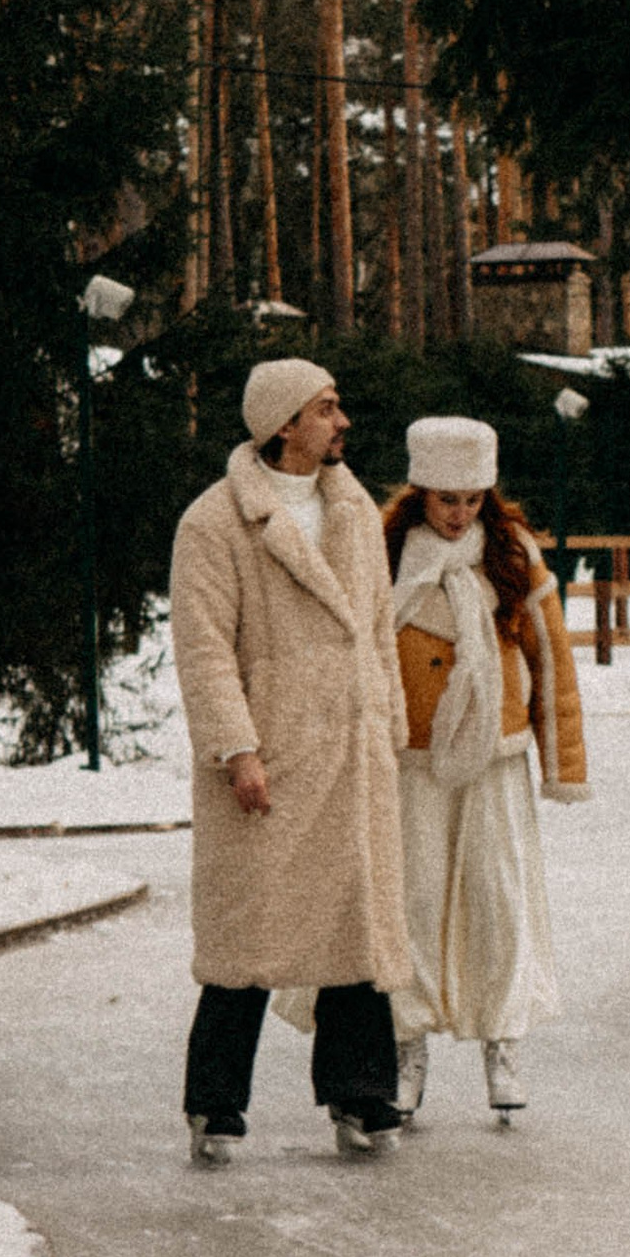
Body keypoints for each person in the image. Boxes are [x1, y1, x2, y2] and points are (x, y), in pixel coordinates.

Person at [169, 356, 412, 1162]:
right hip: (270, 759)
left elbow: (376, 632)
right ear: (283, 425)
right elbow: (204, 652)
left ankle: (364, 1092)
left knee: (356, 925)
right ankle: (215, 1105)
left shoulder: (353, 511)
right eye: (326, 408)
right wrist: (238, 749)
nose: (342, 422)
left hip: (350, 749)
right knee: (250, 935)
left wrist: (389, 729)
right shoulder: (215, 523)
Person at [380, 415, 589, 1119]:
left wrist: (562, 764)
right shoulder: (383, 552)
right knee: (413, 903)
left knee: (496, 902)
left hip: (493, 758)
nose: (458, 513)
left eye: (471, 499)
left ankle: (503, 1041)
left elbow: (550, 661)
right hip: (409, 758)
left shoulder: (513, 555)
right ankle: (407, 1047)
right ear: (420, 491)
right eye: (445, 499)